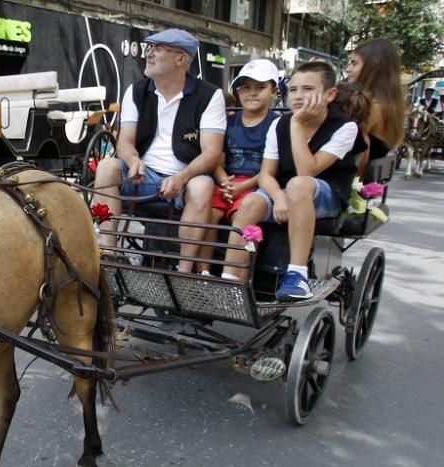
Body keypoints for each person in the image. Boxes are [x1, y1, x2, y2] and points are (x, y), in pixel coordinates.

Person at [221, 61, 364, 301]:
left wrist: (297, 124)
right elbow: (266, 174)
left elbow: (307, 171)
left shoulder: (345, 127)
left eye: (308, 89)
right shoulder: (279, 124)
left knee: (299, 185)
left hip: (325, 192)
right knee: (250, 203)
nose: (298, 96)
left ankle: (297, 274)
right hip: (286, 190)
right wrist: (277, 198)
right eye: (294, 89)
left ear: (329, 94)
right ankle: (230, 279)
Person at [91, 28, 226, 274]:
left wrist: (182, 177)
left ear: (181, 59)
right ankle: (108, 254)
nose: (149, 54)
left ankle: (183, 273)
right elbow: (124, 142)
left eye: (158, 48)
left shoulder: (209, 96)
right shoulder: (137, 91)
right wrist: (133, 160)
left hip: (186, 180)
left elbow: (211, 153)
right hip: (144, 176)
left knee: (203, 186)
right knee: (107, 166)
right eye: (149, 47)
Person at [200, 59, 281, 275]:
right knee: (208, 211)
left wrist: (242, 186)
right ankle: (204, 272)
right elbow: (218, 156)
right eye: (245, 88)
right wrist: (222, 179)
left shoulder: (276, 124)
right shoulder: (229, 121)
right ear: (237, 91)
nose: (252, 93)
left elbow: (270, 169)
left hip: (257, 184)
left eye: (260, 88)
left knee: (242, 219)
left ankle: (238, 274)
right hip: (227, 181)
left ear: (274, 91)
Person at [344, 39, 405, 162]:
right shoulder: (388, 104)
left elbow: (343, 145)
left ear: (373, 67)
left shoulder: (371, 106)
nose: (348, 69)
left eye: (354, 63)